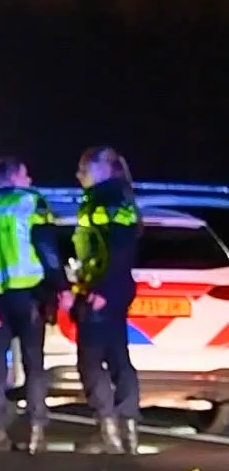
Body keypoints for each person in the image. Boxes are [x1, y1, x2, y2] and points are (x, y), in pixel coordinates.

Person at [0, 157, 61, 455]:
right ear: (12, 178)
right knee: (34, 364)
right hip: (29, 294)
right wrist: (60, 287)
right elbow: (46, 247)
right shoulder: (30, 203)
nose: (30, 178)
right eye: (24, 173)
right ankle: (36, 432)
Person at [64, 146, 143, 455]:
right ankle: (127, 431)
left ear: (102, 169)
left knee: (91, 360)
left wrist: (103, 290)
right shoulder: (111, 197)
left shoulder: (110, 200)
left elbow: (120, 249)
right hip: (106, 287)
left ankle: (110, 431)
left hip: (103, 290)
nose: (78, 175)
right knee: (117, 357)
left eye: (84, 169)